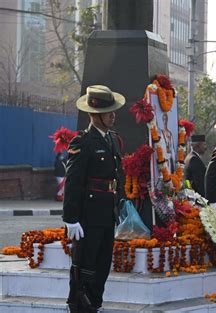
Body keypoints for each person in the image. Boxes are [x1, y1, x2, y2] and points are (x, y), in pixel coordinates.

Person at [63, 85, 125, 313]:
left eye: (113, 110)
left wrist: (122, 203)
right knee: (84, 268)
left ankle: (94, 306)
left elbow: (118, 175)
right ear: (94, 114)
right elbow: (73, 181)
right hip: (88, 218)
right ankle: (80, 308)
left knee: (101, 268)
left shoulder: (112, 140)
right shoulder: (83, 142)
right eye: (108, 111)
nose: (113, 114)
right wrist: (70, 218)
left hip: (107, 215)